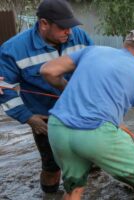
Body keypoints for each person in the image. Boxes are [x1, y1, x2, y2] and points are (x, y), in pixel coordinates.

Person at [40, 29, 134, 200]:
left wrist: (67, 88)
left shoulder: (93, 50)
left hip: (57, 128)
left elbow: (48, 70)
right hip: (95, 134)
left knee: (74, 188)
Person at [0, 0, 93, 193]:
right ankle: (50, 196)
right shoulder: (13, 50)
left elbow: (96, 70)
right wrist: (28, 117)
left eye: (72, 26)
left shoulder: (80, 37)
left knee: (91, 156)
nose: (70, 32)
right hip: (45, 119)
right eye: (63, 27)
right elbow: (4, 90)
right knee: (52, 167)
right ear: (44, 24)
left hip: (83, 113)